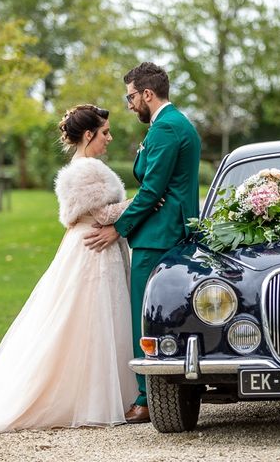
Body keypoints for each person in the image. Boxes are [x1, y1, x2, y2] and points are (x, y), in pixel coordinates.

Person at [0, 104, 137, 432]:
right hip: (93, 248)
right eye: (105, 132)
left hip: (93, 245)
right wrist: (145, 200)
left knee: (99, 320)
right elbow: (103, 215)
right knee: (91, 319)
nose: (110, 138)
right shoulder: (85, 169)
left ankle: (106, 392)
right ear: (89, 134)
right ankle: (91, 397)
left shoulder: (83, 166)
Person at [84, 62, 201, 424]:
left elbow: (152, 189)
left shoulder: (166, 127)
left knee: (145, 313)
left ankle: (146, 397)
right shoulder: (171, 124)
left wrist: (119, 228)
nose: (130, 104)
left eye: (131, 96)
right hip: (167, 228)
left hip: (160, 234)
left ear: (148, 94)